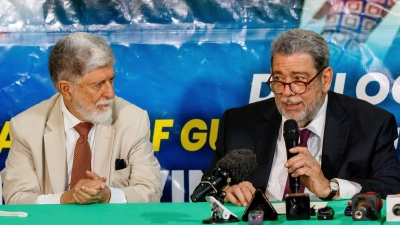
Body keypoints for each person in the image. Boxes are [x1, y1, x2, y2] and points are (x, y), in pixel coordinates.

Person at [200, 29, 400, 206]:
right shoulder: (238, 123)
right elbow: (207, 188)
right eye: (278, 79)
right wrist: (226, 192)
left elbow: (391, 187)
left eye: (299, 80)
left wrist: (331, 188)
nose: (288, 93)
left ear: (325, 79)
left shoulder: (371, 124)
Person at [1, 32, 162, 204]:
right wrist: (67, 199)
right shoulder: (26, 127)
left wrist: (109, 195)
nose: (110, 93)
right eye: (98, 84)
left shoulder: (133, 120)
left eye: (111, 80)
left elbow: (150, 190)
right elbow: (17, 197)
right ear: (66, 89)